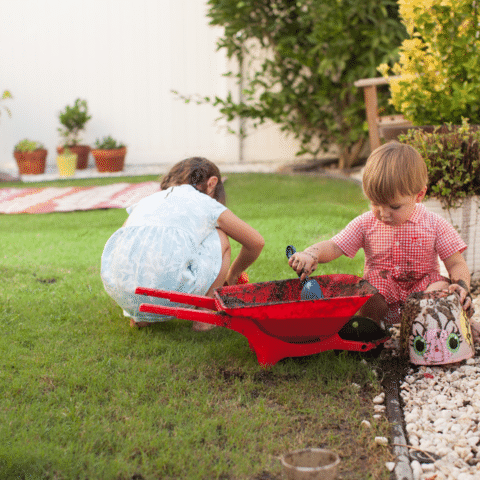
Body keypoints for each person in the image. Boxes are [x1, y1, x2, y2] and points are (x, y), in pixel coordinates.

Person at [288, 142, 477, 338]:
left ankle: (449, 325)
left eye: (394, 207)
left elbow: (455, 263)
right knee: (366, 291)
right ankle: (372, 331)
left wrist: (462, 286)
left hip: (422, 290)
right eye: (375, 203)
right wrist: (312, 253)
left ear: (419, 195)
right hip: (383, 295)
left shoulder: (435, 224)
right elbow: (336, 246)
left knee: (442, 289)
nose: (384, 213)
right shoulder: (366, 223)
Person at [101, 157, 265, 331]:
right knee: (220, 236)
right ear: (212, 183)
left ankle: (140, 317)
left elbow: (124, 242)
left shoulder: (147, 201)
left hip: (122, 291)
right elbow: (256, 242)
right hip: (169, 293)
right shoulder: (206, 203)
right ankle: (205, 316)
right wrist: (233, 275)